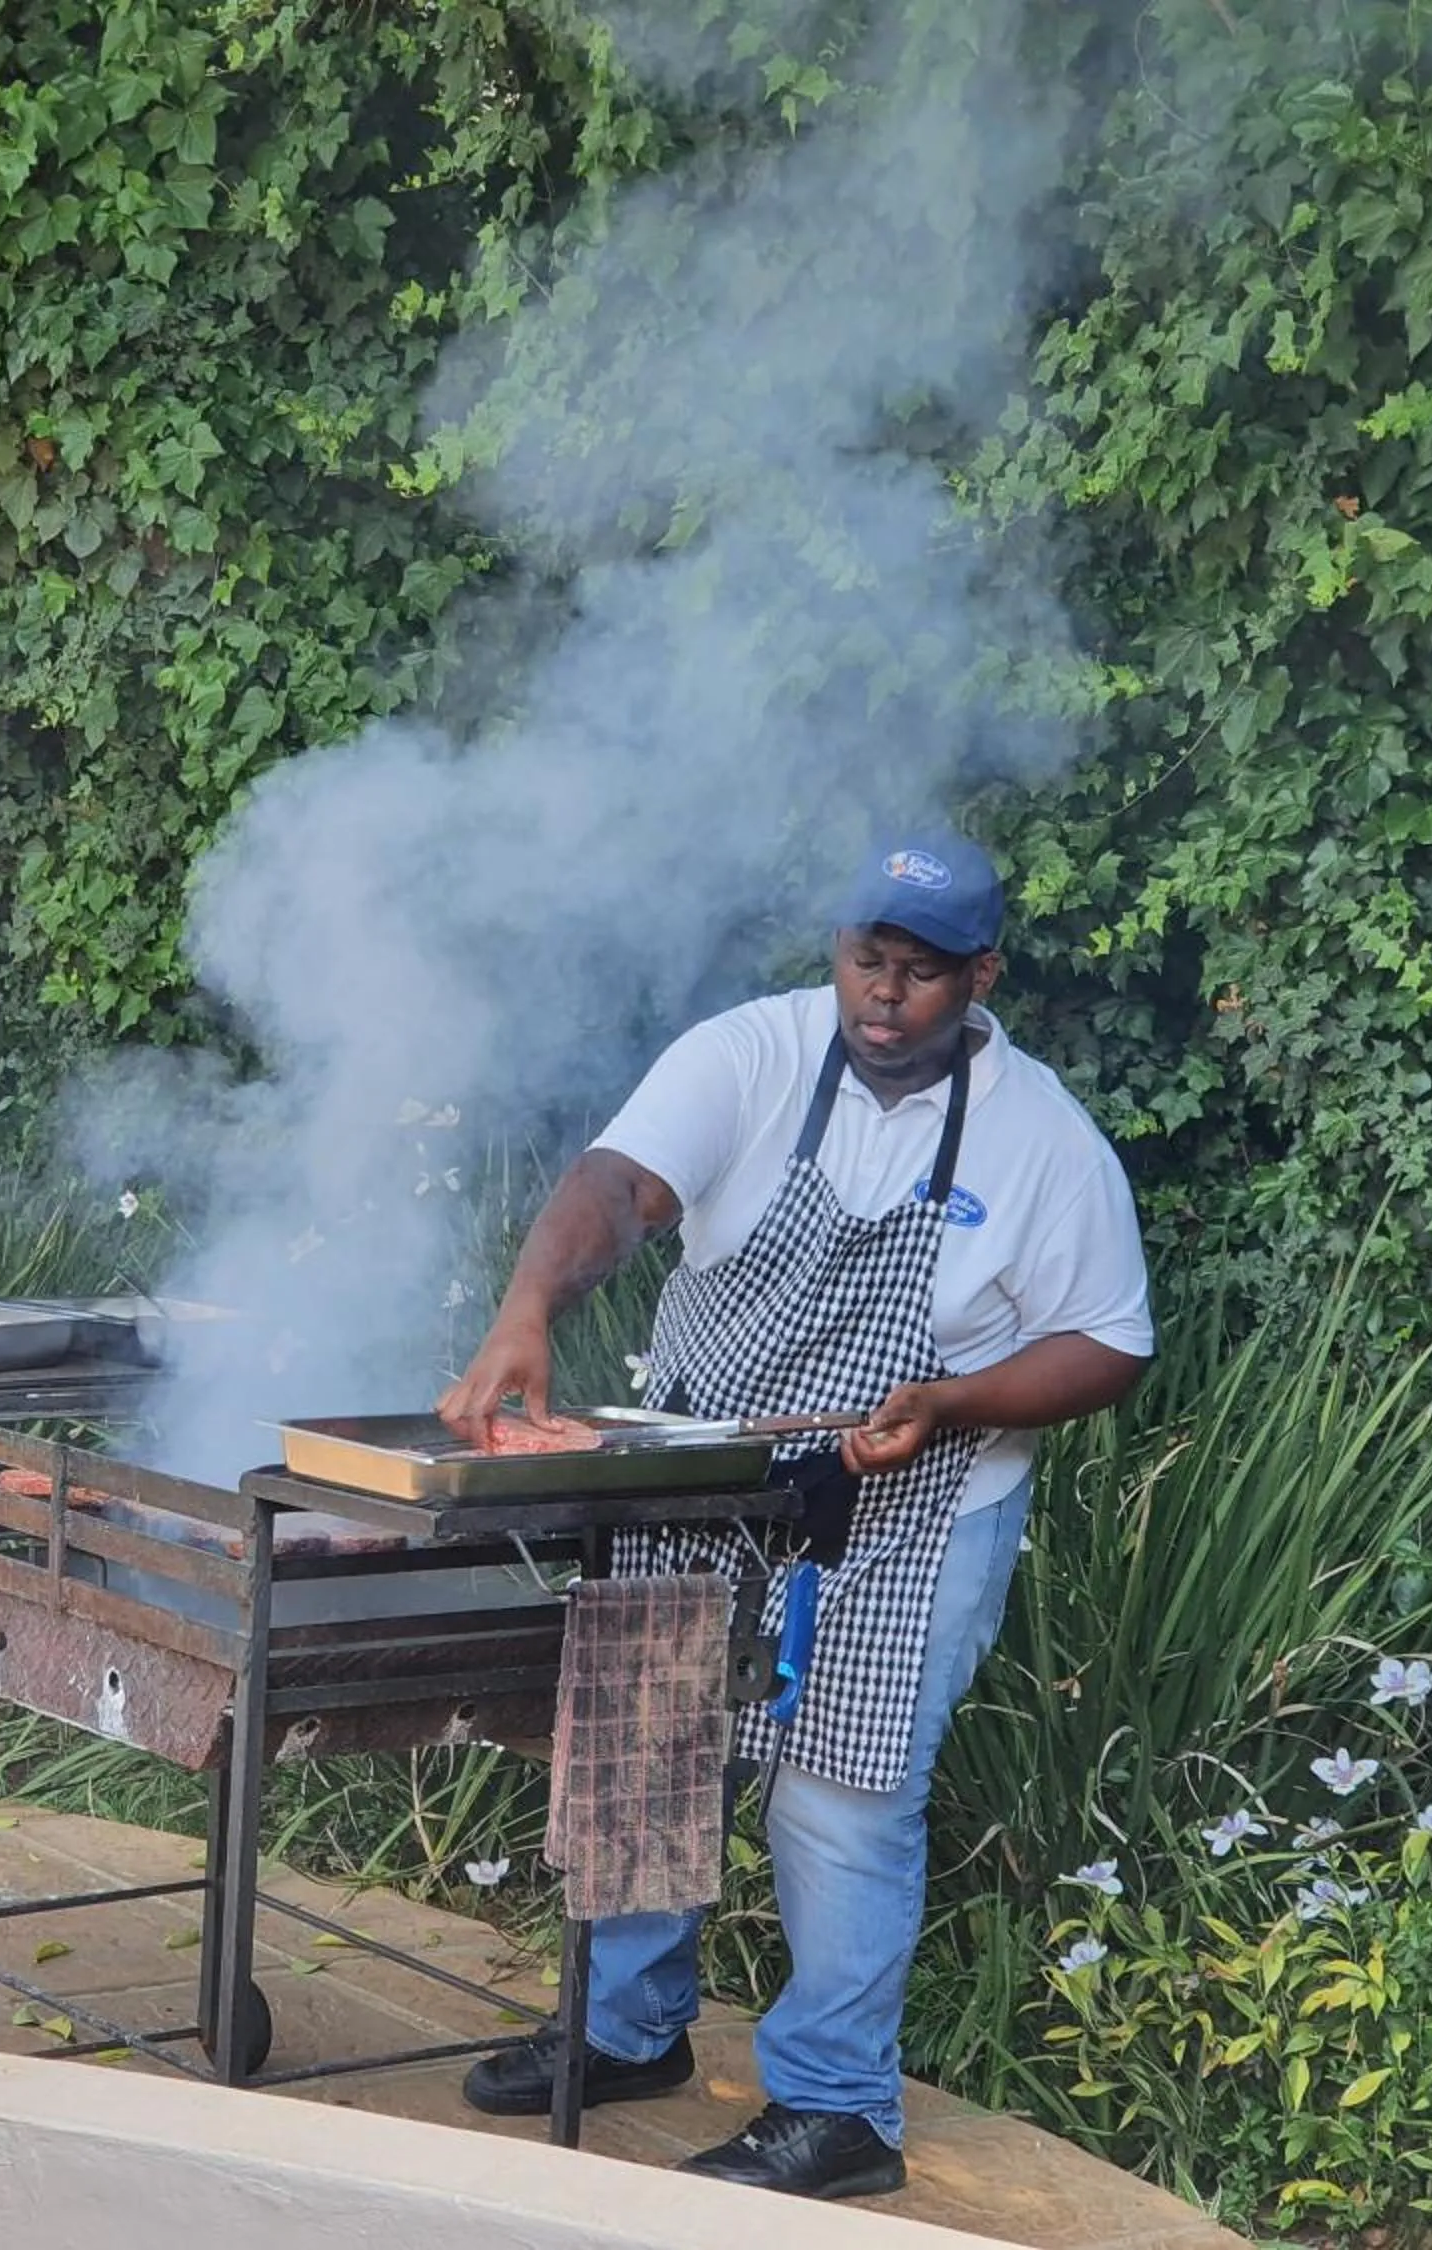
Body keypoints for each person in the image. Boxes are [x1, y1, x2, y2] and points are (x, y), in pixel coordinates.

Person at [436, 832, 1151, 2200]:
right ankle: (627, 2025)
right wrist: (532, 1305)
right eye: (863, 958)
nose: (882, 994)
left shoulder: (1042, 1133)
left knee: (839, 1791)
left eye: (921, 972)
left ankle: (836, 2111)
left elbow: (1112, 1342)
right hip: (707, 1478)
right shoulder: (751, 1056)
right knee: (652, 1737)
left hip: (912, 1499)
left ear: (981, 977)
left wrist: (952, 1399)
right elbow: (614, 1189)